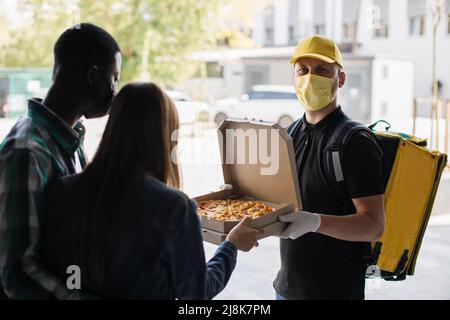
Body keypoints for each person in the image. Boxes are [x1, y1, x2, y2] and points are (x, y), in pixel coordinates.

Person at [40, 82, 263, 299]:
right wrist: (231, 246)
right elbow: (197, 293)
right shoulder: (173, 208)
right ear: (165, 137)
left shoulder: (62, 192)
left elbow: (64, 277)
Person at [0, 23, 121, 299]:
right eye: (114, 78)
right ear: (93, 76)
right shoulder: (27, 152)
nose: (115, 90)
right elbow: (19, 273)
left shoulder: (68, 139)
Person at [273, 35, 385, 300]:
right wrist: (243, 194)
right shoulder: (290, 135)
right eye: (303, 70)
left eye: (322, 70)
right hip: (287, 288)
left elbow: (374, 225)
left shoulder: (355, 141)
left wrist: (315, 222)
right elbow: (278, 201)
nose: (311, 78)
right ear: (294, 78)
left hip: (335, 293)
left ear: (341, 79)